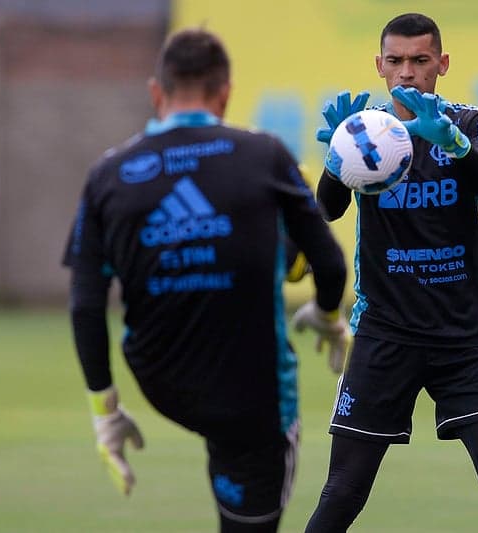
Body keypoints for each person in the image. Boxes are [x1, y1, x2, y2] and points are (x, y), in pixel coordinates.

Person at [62, 28, 350, 533]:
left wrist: (105, 410)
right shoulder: (264, 154)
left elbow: (86, 304)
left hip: (162, 380)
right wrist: (328, 316)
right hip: (250, 393)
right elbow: (329, 262)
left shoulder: (107, 173)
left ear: (157, 93)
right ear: (226, 93)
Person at [304, 13, 478, 532]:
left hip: (463, 338)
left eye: (420, 60)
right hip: (384, 334)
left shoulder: (473, 123)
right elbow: (326, 209)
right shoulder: (366, 132)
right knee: (342, 493)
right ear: (379, 65)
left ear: (443, 64)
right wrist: (336, 156)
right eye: (396, 61)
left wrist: (452, 142)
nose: (407, 73)